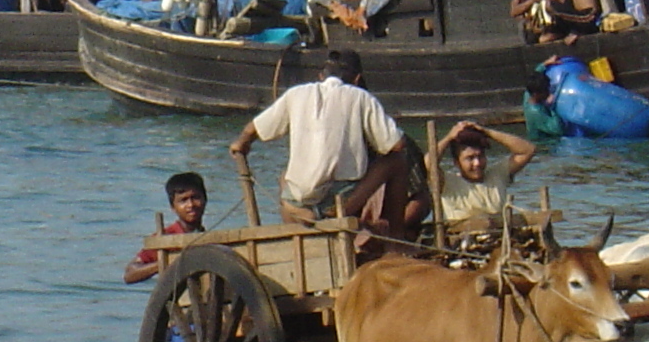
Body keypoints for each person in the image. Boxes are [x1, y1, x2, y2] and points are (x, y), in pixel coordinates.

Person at [229, 46, 423, 246]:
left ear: (320, 76)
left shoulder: (296, 94)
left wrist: (241, 143)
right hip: (337, 203)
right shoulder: (360, 97)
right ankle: (396, 240)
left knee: (286, 175)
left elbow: (253, 129)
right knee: (397, 162)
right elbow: (397, 144)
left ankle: (299, 214)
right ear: (356, 79)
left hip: (295, 200)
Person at [429, 122, 537, 238]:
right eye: (470, 158)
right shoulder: (448, 182)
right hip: (462, 245)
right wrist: (449, 137)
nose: (477, 163)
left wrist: (487, 132)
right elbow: (427, 165)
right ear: (457, 162)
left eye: (480, 156)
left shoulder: (497, 175)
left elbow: (528, 150)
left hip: (499, 241)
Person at [123, 172, 209, 284]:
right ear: (173, 207)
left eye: (195, 197)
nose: (190, 205)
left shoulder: (209, 237)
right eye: (183, 200)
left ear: (205, 200)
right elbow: (130, 274)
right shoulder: (166, 237)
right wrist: (165, 262)